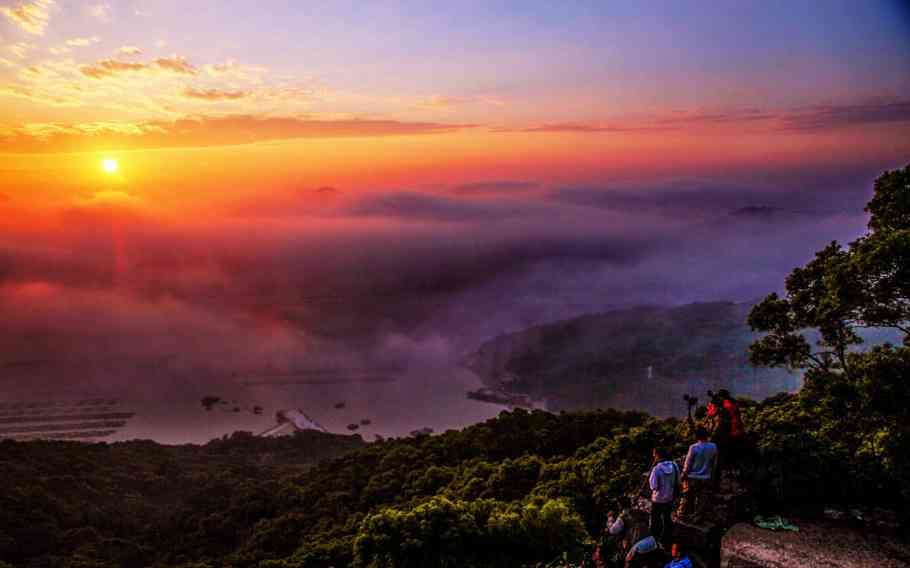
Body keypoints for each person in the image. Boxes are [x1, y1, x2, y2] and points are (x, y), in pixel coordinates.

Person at [677, 426, 717, 524]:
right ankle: (697, 518)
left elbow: (688, 464)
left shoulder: (694, 447)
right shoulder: (713, 446)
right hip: (706, 477)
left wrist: (683, 475)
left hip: (692, 477)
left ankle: (682, 515)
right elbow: (714, 464)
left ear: (697, 436)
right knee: (702, 500)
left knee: (687, 497)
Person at [648, 446, 679, 546]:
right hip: (669, 498)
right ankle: (666, 539)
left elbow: (654, 486)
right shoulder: (674, 465)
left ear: (657, 456)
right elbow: (678, 481)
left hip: (657, 499)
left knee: (655, 521)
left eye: (654, 455)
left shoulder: (656, 469)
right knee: (667, 518)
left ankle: (654, 540)